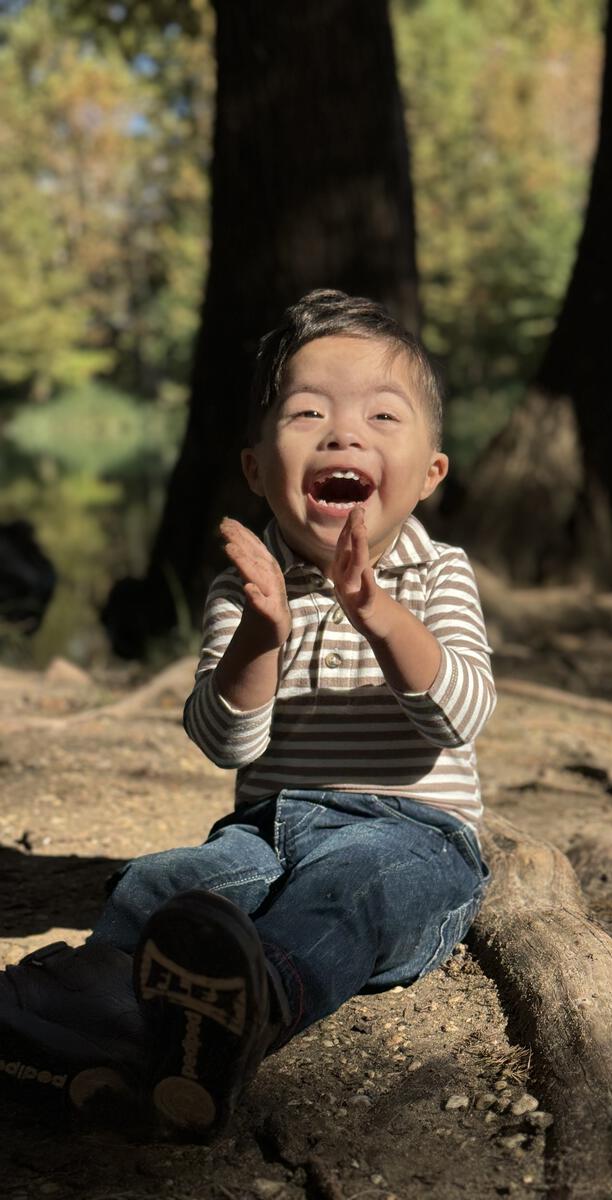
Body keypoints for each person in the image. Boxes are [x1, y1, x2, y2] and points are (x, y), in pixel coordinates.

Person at [0, 289, 495, 1139]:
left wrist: (379, 614)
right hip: (267, 826)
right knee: (161, 883)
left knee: (351, 891)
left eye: (382, 414)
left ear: (430, 474)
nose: (344, 434)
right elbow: (224, 738)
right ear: (258, 470)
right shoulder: (247, 583)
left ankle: (252, 1009)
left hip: (413, 832)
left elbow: (460, 716)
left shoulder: (437, 573)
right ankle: (85, 1020)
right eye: (308, 413)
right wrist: (262, 633)